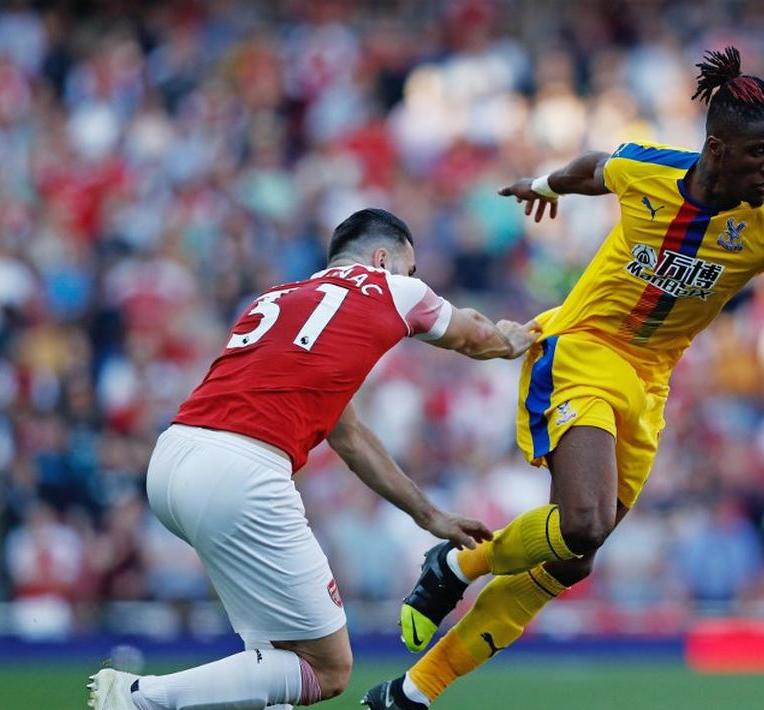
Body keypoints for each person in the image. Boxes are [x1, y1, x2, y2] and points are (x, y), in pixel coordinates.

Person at [363, 47, 764, 709]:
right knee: (583, 523)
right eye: (759, 151)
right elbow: (592, 169)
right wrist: (546, 186)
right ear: (716, 147)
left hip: (649, 383)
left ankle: (412, 692)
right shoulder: (649, 170)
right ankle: (456, 565)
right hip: (581, 348)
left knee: (571, 559)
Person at [88, 208, 538, 710]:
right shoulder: (391, 288)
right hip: (242, 469)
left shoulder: (279, 298)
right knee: (327, 668)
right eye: (412, 270)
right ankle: (135, 698)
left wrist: (427, 514)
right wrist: (510, 341)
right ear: (383, 257)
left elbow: (350, 438)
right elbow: (473, 334)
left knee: (276, 656)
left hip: (174, 458)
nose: (416, 282)